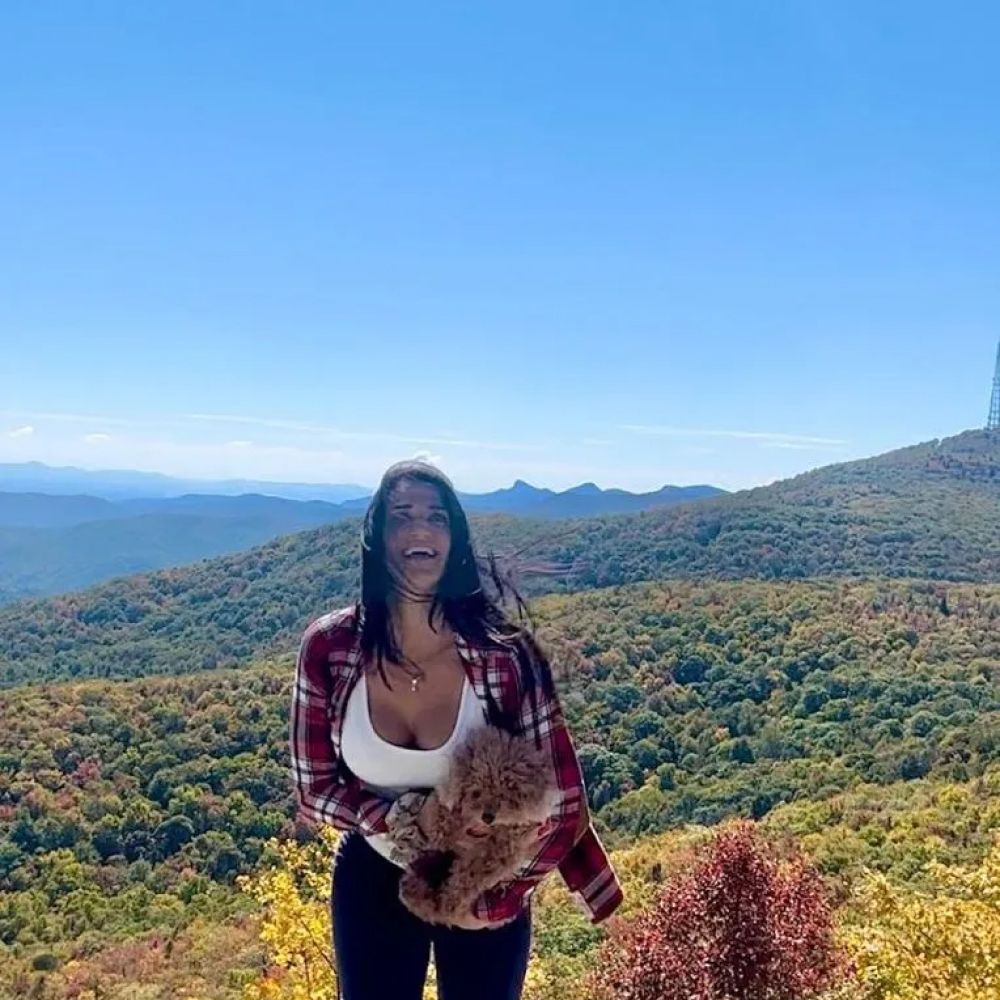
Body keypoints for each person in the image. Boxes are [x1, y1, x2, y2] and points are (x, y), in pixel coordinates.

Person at [289, 460, 622, 1000]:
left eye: (436, 517)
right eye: (402, 516)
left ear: (455, 537)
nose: (420, 529)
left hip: (487, 871)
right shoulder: (331, 647)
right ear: (377, 535)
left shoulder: (505, 656)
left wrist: (497, 902)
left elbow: (564, 800)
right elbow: (314, 788)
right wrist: (398, 818)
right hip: (375, 872)